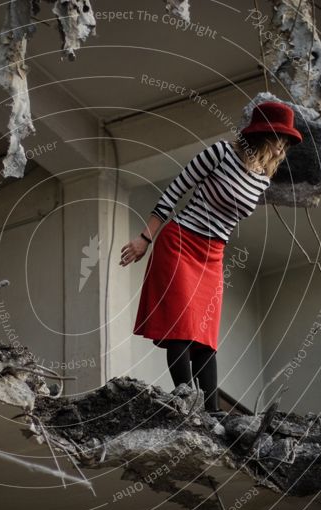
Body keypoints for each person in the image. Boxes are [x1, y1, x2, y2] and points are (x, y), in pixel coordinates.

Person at [119, 101, 303, 414]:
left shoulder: (263, 180)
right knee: (182, 327)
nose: (283, 147)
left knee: (204, 336)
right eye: (280, 138)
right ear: (265, 136)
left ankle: (214, 412)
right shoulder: (219, 153)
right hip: (179, 242)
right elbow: (174, 191)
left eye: (287, 141)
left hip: (213, 256)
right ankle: (184, 400)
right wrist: (145, 238)